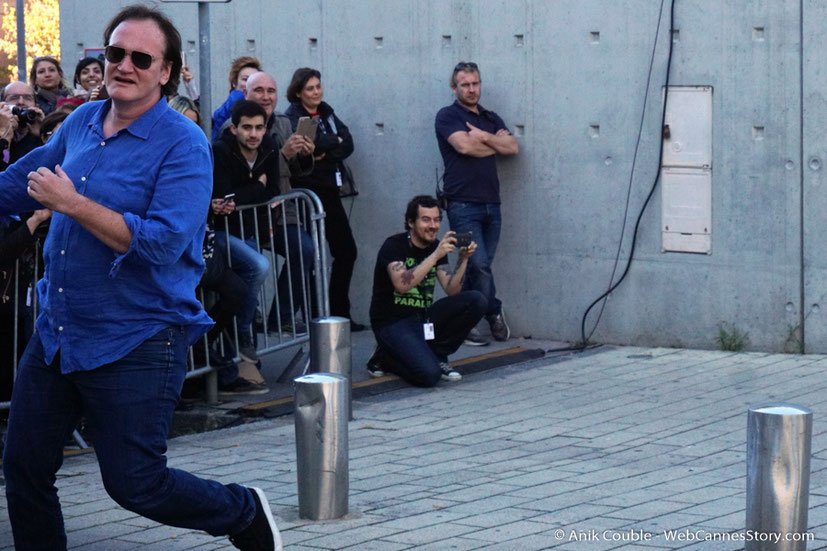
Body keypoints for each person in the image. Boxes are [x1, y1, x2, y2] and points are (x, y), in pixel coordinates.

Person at [0, 5, 282, 550]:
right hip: (59, 331)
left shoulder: (184, 144)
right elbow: (18, 183)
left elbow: (161, 243)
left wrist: (74, 204)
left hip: (138, 337)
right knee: (24, 467)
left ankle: (242, 511)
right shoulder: (81, 120)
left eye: (140, 58)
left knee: (136, 485)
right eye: (114, 53)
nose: (123, 65)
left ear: (166, 71)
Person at [222, 71, 316, 336]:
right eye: (259, 91)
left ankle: (282, 317)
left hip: (281, 214)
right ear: (246, 95)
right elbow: (253, 175)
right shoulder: (231, 127)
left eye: (271, 91)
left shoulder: (285, 123)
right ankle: (247, 329)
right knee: (251, 266)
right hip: (245, 217)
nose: (266, 97)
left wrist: (304, 155)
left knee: (305, 249)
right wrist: (283, 156)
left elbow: (297, 173)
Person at [435, 61, 519, 345]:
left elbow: (513, 147)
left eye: (475, 84)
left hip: (491, 204)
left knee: (478, 267)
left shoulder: (489, 118)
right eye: (465, 85)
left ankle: (464, 322)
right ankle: (492, 312)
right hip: (461, 204)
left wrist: (483, 136)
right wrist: (494, 143)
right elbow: (463, 146)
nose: (472, 89)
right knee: (479, 264)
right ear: (454, 87)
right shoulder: (447, 116)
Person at [367, 195, 486, 387]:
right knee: (429, 376)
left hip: (422, 318)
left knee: (476, 300)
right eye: (426, 220)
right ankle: (384, 357)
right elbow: (402, 284)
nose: (433, 225)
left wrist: (463, 260)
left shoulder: (435, 247)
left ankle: (438, 355)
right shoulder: (394, 246)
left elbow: (452, 290)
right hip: (392, 322)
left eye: (437, 220)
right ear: (410, 222)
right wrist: (435, 255)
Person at [285, 67, 363, 329]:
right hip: (308, 193)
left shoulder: (327, 112)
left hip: (330, 191)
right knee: (313, 257)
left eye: (318, 86)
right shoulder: (293, 116)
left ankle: (341, 313)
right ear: (298, 92)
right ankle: (317, 318)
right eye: (310, 88)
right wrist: (330, 143)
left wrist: (325, 152)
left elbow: (348, 142)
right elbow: (309, 145)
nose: (316, 92)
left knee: (346, 251)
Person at [212, 100, 278, 363]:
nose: (253, 134)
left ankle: (241, 339)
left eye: (259, 128)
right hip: (220, 232)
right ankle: (240, 332)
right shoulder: (221, 151)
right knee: (259, 266)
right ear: (234, 129)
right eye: (247, 128)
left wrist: (250, 193)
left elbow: (273, 190)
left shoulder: (270, 147)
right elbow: (224, 198)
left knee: (247, 280)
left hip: (249, 230)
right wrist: (256, 188)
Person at [212, 56, 261, 142]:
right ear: (234, 83)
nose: (250, 83)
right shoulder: (235, 102)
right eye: (245, 79)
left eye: (254, 79)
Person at [0, 82, 46, 168]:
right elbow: (3, 164)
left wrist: (43, 134)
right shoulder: (2, 133)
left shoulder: (40, 134)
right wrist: (4, 136)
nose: (21, 102)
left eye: (27, 98)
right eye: (14, 98)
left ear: (37, 106)